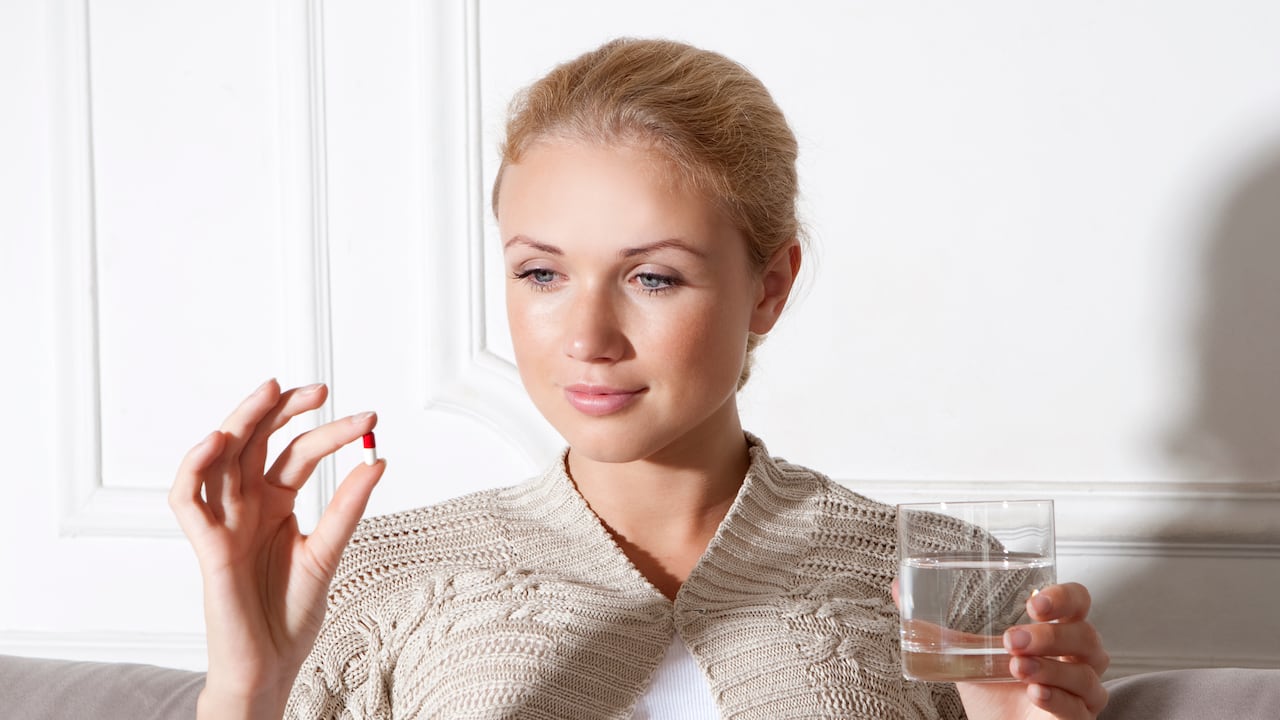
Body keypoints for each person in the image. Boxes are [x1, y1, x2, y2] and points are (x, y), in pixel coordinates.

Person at [170, 38, 1110, 719]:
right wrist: (247, 692)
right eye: (541, 273)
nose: (585, 335)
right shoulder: (379, 579)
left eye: (652, 277)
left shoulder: (947, 576)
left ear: (768, 289)